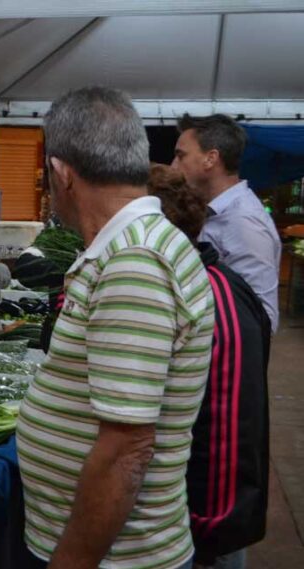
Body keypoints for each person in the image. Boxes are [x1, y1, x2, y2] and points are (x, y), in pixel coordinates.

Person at [15, 87, 215, 569]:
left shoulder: (134, 261)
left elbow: (127, 450)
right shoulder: (131, 245)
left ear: (62, 173)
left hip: (118, 558)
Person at [148, 164, 270, 569]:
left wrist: (205, 526)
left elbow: (226, 423)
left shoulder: (204, 295)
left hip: (209, 519)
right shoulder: (213, 280)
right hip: (209, 510)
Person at [171, 114, 281, 333]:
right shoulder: (215, 213)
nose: (173, 165)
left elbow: (262, 317)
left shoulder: (243, 221)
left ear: (210, 159)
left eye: (180, 156)